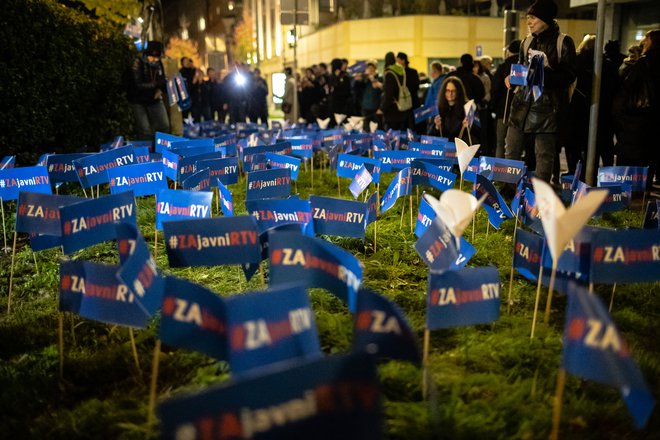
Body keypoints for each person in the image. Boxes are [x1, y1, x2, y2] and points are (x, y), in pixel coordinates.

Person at [504, 0, 577, 184]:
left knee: (544, 155)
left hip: (547, 109)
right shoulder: (526, 42)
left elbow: (570, 75)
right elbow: (521, 69)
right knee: (511, 150)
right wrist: (512, 79)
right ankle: (509, 190)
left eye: (533, 18)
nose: (528, 22)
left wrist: (544, 74)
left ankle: (540, 196)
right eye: (527, 17)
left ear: (545, 18)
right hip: (521, 105)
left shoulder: (564, 42)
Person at [565, 35, 618, 179]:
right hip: (601, 112)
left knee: (574, 145)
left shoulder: (576, 62)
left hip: (578, 110)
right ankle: (594, 176)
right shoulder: (607, 65)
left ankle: (575, 174)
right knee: (596, 146)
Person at [612, 29, 660, 188]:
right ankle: (645, 186)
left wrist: (618, 112)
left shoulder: (644, 62)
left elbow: (628, 88)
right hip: (653, 117)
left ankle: (629, 189)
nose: (643, 42)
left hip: (638, 116)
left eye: (647, 39)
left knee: (631, 154)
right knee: (650, 153)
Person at [127, 40, 169, 139]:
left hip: (154, 99)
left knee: (164, 126)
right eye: (152, 56)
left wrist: (161, 89)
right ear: (147, 55)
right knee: (145, 130)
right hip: (138, 100)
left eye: (157, 57)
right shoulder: (138, 62)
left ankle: (160, 149)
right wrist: (156, 84)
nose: (155, 59)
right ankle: (147, 152)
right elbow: (138, 84)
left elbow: (162, 79)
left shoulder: (159, 64)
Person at [492, 40, 521, 158]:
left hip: (503, 111)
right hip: (520, 111)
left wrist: (494, 107)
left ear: (509, 51)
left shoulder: (503, 66)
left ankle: (498, 173)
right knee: (516, 146)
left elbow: (495, 88)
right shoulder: (524, 67)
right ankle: (512, 172)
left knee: (500, 143)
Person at [428, 77, 470, 142]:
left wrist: (468, 127)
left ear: (458, 92)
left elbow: (474, 134)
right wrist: (436, 127)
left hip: (459, 148)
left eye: (453, 91)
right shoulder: (437, 108)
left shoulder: (466, 108)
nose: (450, 94)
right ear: (444, 92)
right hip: (442, 147)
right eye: (447, 90)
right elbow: (429, 135)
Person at [379, 52, 408, 130]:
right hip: (402, 106)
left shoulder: (389, 73)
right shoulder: (401, 70)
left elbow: (389, 94)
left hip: (391, 110)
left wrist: (382, 108)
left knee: (391, 136)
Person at [354, 61, 383, 128]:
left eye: (371, 67)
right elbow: (356, 89)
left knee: (376, 127)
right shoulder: (364, 78)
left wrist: (372, 78)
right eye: (368, 67)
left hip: (375, 106)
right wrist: (359, 79)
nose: (369, 69)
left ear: (375, 68)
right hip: (365, 106)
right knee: (366, 127)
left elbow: (376, 87)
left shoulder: (379, 77)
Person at [397, 52, 420, 129]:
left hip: (409, 103)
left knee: (410, 126)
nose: (397, 62)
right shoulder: (413, 72)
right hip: (408, 103)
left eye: (398, 60)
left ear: (403, 60)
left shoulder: (410, 72)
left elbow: (415, 86)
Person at [329, 58, 352, 123]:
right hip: (333, 102)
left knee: (342, 121)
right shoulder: (332, 76)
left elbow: (346, 89)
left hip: (342, 103)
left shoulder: (344, 75)